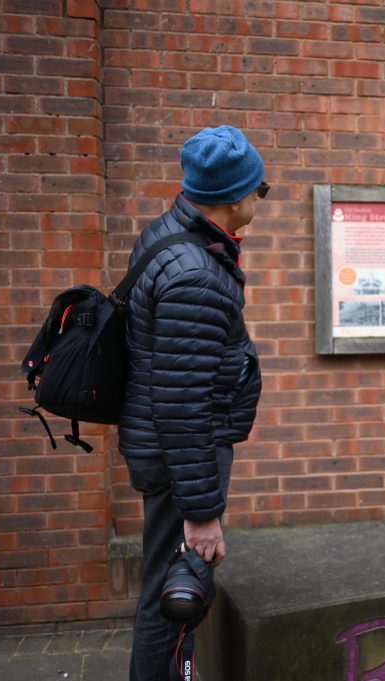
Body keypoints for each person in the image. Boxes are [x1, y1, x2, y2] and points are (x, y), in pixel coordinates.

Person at [118, 125, 265, 681]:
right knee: (175, 597)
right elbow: (182, 402)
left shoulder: (173, 234)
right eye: (259, 188)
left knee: (168, 585)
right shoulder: (196, 276)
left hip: (171, 452)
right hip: (181, 456)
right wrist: (201, 514)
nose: (261, 198)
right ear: (234, 196)